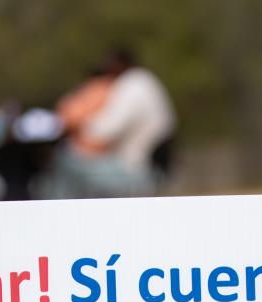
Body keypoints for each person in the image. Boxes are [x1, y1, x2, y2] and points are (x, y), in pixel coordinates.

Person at [41, 48, 176, 199]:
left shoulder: (134, 85)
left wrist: (76, 123)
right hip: (140, 166)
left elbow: (105, 131)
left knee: (65, 159)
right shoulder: (143, 82)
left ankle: (55, 214)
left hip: (137, 170)